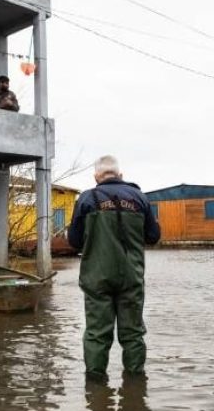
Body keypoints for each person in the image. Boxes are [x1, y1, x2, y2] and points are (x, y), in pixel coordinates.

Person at [68, 155, 161, 382]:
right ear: (120, 175)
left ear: (97, 177)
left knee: (97, 334)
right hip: (131, 277)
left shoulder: (86, 199)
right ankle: (135, 385)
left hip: (96, 278)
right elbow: (153, 236)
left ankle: (96, 389)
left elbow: (74, 241)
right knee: (133, 333)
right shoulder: (140, 198)